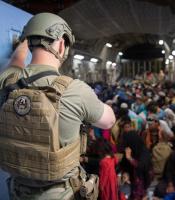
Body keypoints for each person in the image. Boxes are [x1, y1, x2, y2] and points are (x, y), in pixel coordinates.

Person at [0, 13, 116, 200]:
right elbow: (109, 121)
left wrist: (25, 41)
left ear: (29, 43)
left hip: (17, 192)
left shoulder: (7, 82)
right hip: (63, 194)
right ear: (62, 44)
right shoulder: (75, 90)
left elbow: (16, 61)